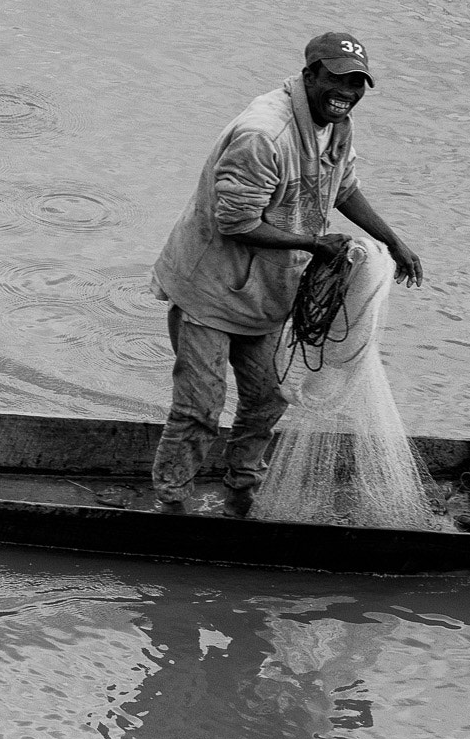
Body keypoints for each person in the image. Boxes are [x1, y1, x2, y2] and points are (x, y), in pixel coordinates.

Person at [148, 32, 422, 517]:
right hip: (209, 290)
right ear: (309, 74)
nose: (347, 92)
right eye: (336, 79)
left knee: (268, 398)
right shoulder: (263, 135)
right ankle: (171, 503)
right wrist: (314, 244)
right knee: (200, 408)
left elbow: (344, 187)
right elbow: (237, 222)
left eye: (357, 83)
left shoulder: (337, 123)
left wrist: (394, 242)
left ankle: (242, 487)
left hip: (268, 292)